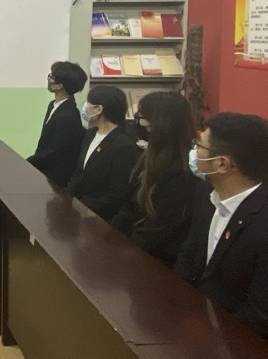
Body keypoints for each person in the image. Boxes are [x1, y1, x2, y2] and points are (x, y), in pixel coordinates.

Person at [174, 112, 268, 339]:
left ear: (222, 164)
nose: (193, 151)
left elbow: (258, 314)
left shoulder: (262, 223)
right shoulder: (206, 192)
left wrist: (207, 333)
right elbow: (189, 255)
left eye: (199, 146)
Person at [110, 92, 199, 267]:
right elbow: (128, 205)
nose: (139, 123)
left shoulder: (184, 171)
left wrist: (124, 254)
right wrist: (111, 238)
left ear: (160, 124)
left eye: (143, 117)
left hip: (158, 260)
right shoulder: (149, 156)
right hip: (134, 248)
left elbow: (159, 228)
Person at [65, 85, 140, 222]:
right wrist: (66, 198)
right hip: (79, 209)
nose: (85, 107)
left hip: (101, 218)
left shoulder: (124, 146)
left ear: (99, 109)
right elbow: (79, 173)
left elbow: (116, 194)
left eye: (88, 103)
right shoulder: (90, 134)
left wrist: (84, 208)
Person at [27, 61, 88, 187]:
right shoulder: (53, 105)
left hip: (55, 177)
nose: (49, 80)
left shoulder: (68, 116)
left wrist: (28, 162)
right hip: (45, 168)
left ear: (60, 85)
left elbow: (54, 152)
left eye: (52, 77)